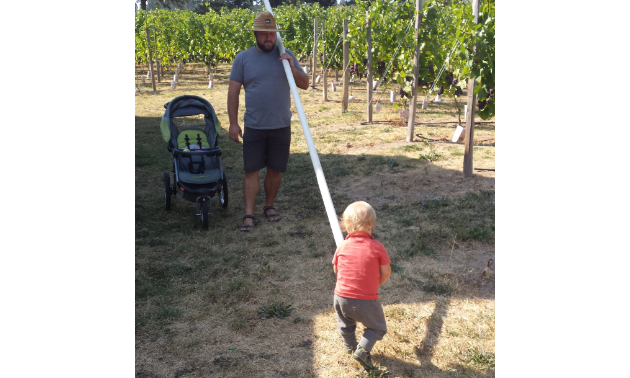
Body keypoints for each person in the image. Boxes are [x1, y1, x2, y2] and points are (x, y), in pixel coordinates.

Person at [227, 12, 309, 232]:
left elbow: (305, 84)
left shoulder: (286, 55)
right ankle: (248, 214)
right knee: (251, 171)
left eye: (271, 33)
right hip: (254, 126)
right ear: (255, 34)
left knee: (275, 170)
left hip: (281, 125)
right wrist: (233, 123)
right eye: (263, 33)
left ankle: (269, 206)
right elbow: (233, 92)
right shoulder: (243, 58)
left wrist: (291, 68)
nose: (268, 37)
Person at [331, 201, 392, 371]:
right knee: (377, 327)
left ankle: (351, 348)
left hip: (340, 297)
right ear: (372, 224)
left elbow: (336, 269)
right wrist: (375, 284)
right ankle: (362, 351)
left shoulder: (342, 246)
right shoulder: (377, 247)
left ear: (346, 225)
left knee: (346, 325)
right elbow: (386, 272)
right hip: (365, 300)